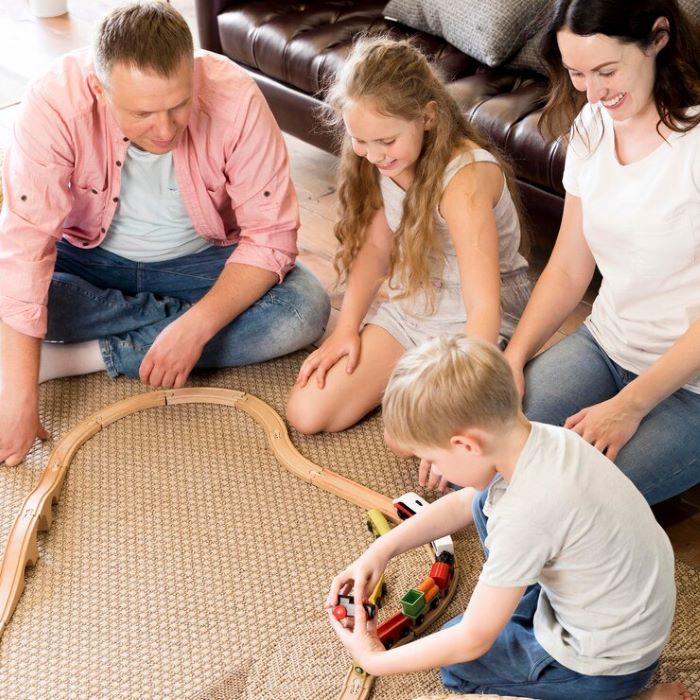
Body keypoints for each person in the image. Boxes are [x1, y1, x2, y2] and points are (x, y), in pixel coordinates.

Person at [0, 1, 330, 467]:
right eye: (142, 114)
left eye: (179, 105)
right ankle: (156, 331)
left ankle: (78, 358)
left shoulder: (235, 97)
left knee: (302, 311)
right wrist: (16, 400)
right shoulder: (54, 101)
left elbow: (271, 236)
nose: (164, 129)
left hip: (200, 260)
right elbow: (25, 246)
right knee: (10, 288)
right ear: (100, 87)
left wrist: (196, 327)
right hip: (85, 257)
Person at [327, 335, 687, 700]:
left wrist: (374, 660)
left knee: (458, 664)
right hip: (625, 619)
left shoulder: (526, 514)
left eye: (432, 459)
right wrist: (382, 550)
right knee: (484, 504)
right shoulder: (546, 439)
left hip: (601, 667)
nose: (433, 469)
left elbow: (472, 641)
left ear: (466, 446)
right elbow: (466, 502)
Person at [503, 0, 700, 505]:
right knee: (490, 451)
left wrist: (628, 406)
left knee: (572, 504)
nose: (593, 91)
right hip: (609, 344)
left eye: (607, 70)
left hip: (692, 387)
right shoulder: (592, 124)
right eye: (577, 73)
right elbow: (570, 265)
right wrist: (514, 357)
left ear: (658, 37)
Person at [285, 37, 531, 435]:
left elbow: (483, 309)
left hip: (477, 317)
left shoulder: (464, 179)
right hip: (416, 299)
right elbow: (376, 248)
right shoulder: (381, 158)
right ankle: (410, 382)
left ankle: (416, 388)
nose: (375, 154)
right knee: (308, 413)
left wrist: (464, 401)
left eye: (386, 141)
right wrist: (347, 327)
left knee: (410, 438)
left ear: (428, 117)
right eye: (360, 140)